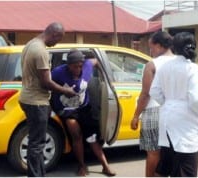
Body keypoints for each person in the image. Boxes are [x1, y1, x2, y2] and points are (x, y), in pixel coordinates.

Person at [150, 32, 198, 177]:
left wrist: (169, 103)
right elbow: (195, 99)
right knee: (185, 168)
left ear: (174, 47)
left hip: (166, 118)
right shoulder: (193, 69)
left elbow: (154, 91)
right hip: (186, 122)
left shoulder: (165, 66)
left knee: (165, 164)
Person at [19, 22, 77, 177]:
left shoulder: (30, 44)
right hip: (36, 101)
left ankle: (39, 174)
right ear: (54, 34)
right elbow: (46, 82)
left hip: (28, 98)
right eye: (59, 39)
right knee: (37, 144)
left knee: (35, 141)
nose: (57, 43)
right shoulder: (41, 51)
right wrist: (66, 91)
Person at [50, 49, 116, 177]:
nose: (78, 69)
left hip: (84, 108)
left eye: (80, 66)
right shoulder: (58, 72)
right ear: (68, 65)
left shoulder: (86, 65)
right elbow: (45, 83)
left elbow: (95, 60)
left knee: (91, 138)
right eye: (75, 66)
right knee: (76, 134)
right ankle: (81, 166)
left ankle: (105, 166)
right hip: (67, 110)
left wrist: (105, 75)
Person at [130, 31, 175, 177]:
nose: (151, 51)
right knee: (170, 152)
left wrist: (136, 115)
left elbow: (145, 94)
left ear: (160, 45)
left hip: (154, 112)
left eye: (152, 47)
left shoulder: (152, 65)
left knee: (153, 153)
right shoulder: (180, 62)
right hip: (174, 113)